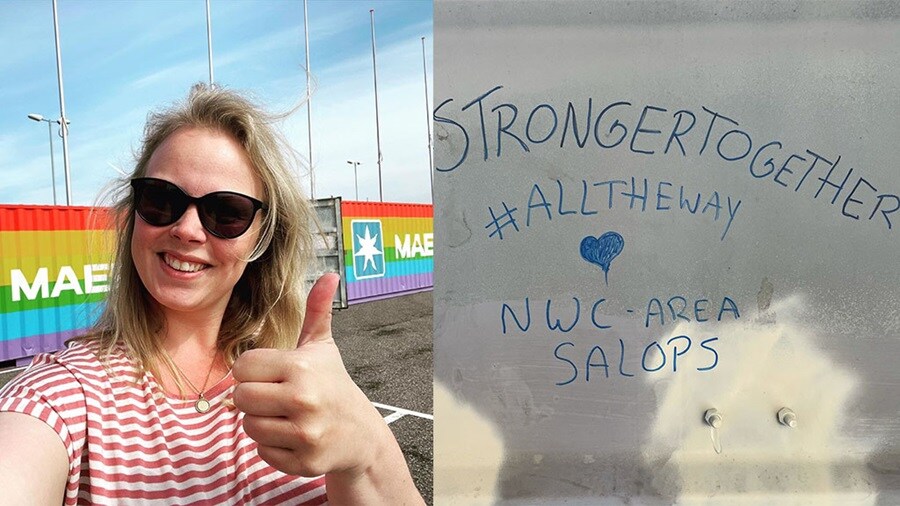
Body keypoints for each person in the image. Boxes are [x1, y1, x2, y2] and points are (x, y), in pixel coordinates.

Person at [0, 84, 424, 505]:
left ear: (261, 240)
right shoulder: (65, 396)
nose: (186, 230)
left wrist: (367, 449)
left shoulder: (301, 382)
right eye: (161, 199)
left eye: (226, 212)